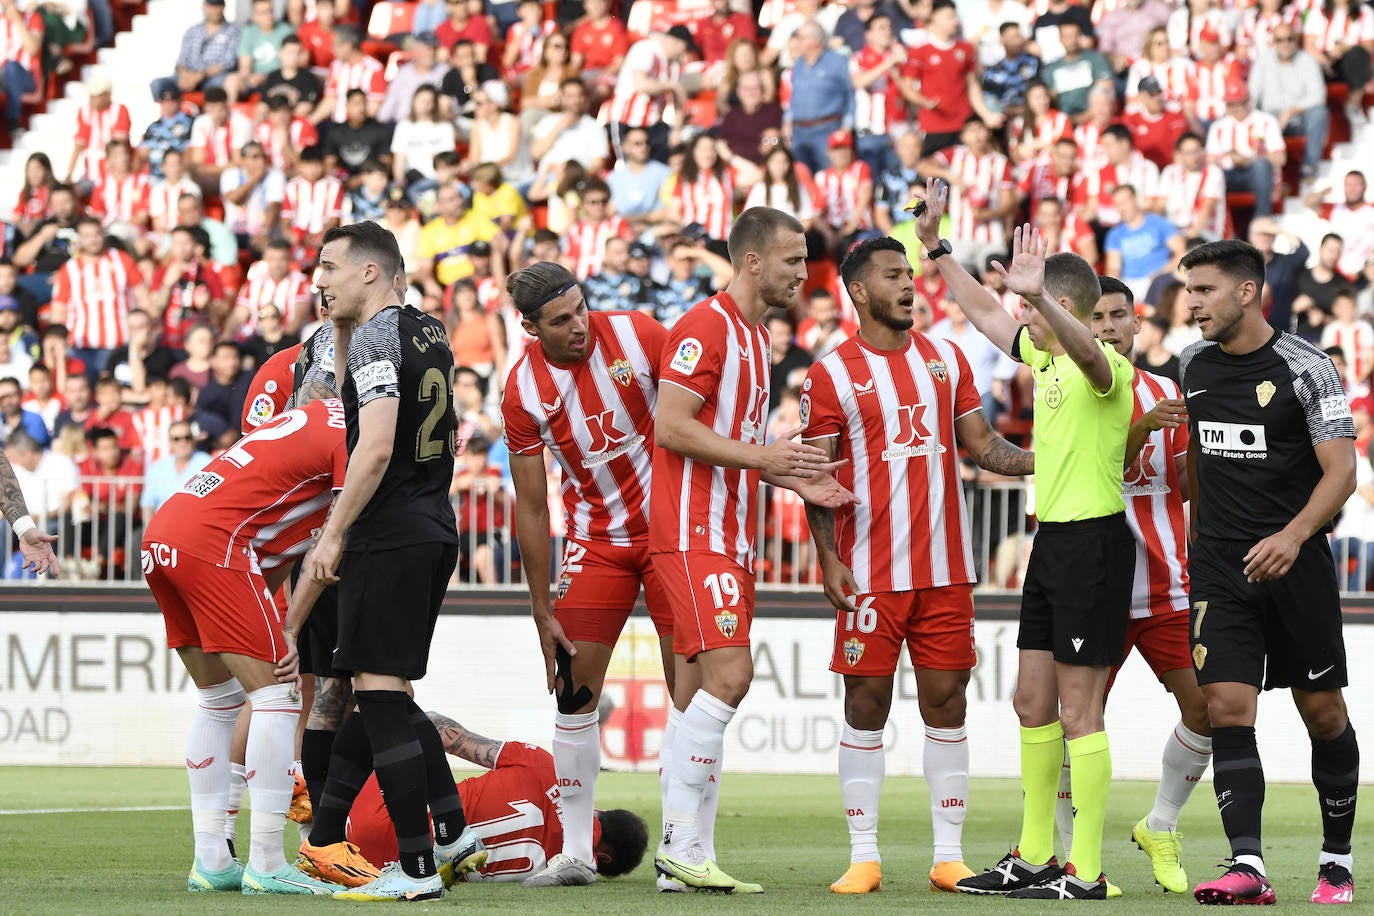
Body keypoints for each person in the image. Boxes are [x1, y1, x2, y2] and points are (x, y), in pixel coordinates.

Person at [913, 179, 1136, 900]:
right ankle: (1035, 854)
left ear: (1060, 307)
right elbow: (981, 311)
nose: (1020, 321)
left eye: (1034, 308)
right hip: (1054, 545)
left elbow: (1092, 359)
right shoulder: (1043, 360)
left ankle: (1089, 871)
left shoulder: (1109, 368)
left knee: (1079, 711)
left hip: (1094, 544)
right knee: (1029, 703)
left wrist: (1036, 299)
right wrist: (938, 248)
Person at [802, 236, 1034, 895]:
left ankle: (948, 857)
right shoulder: (831, 373)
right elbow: (817, 473)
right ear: (858, 291)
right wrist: (827, 556)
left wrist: (1052, 458)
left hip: (944, 569)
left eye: (910, 273)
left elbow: (984, 446)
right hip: (869, 570)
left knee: (947, 701)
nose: (908, 284)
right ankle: (864, 856)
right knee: (865, 701)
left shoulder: (945, 359)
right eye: (892, 275)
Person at [652, 206, 857, 892]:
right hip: (692, 532)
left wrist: (797, 477)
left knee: (690, 701)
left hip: (730, 534)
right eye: (794, 260)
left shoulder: (754, 337)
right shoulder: (704, 328)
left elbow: (752, 452)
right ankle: (682, 844)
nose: (804, 272)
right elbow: (671, 427)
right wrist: (765, 461)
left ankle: (683, 862)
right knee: (730, 679)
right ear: (752, 262)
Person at [295, 222, 482, 902]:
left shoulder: (378, 335)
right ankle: (443, 834)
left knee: (377, 699)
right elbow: (354, 399)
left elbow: (371, 446)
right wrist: (341, 331)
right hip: (432, 523)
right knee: (386, 697)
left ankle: (417, 867)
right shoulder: (426, 330)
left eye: (330, 267)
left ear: (370, 272)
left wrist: (332, 535)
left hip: (389, 529)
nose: (320, 279)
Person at [1178, 239, 1360, 906]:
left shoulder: (1305, 366)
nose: (1191, 302)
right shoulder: (1190, 365)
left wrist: (1292, 533)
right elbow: (1195, 459)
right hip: (1220, 569)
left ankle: (1336, 862)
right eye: (1188, 289)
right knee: (1226, 707)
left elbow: (1343, 471)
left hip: (1296, 565)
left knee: (1324, 714)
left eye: (1203, 290)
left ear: (1247, 292)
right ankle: (1248, 866)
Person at [498, 261, 675, 887]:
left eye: (581, 309)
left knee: (690, 691)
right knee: (573, 691)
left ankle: (685, 849)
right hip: (596, 543)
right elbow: (530, 501)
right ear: (529, 327)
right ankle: (574, 852)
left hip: (671, 536)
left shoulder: (638, 334)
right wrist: (540, 604)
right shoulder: (522, 390)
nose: (580, 326)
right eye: (561, 320)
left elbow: (694, 419)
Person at [140, 398, 348, 895]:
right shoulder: (360, 431)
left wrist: (277, 622)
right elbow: (328, 548)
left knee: (219, 702)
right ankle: (269, 862)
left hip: (165, 533)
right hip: (214, 543)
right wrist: (290, 629)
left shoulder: (310, 418)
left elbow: (269, 555)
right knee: (279, 696)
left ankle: (212, 861)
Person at [1084, 277, 1213, 894]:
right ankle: (1073, 855)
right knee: (1074, 722)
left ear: (1137, 325)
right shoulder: (1070, 389)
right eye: (1096, 318)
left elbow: (1182, 486)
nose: (1108, 327)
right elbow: (1090, 471)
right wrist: (1140, 429)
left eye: (1117, 316)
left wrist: (1202, 446)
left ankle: (1160, 823)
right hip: (1094, 586)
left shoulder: (1168, 391)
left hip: (1165, 584)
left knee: (1209, 708)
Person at [345, 712, 648, 882]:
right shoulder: (559, 871)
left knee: (387, 707)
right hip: (382, 869)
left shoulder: (544, 765)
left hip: (371, 810)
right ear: (603, 859)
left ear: (601, 810)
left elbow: (449, 736)